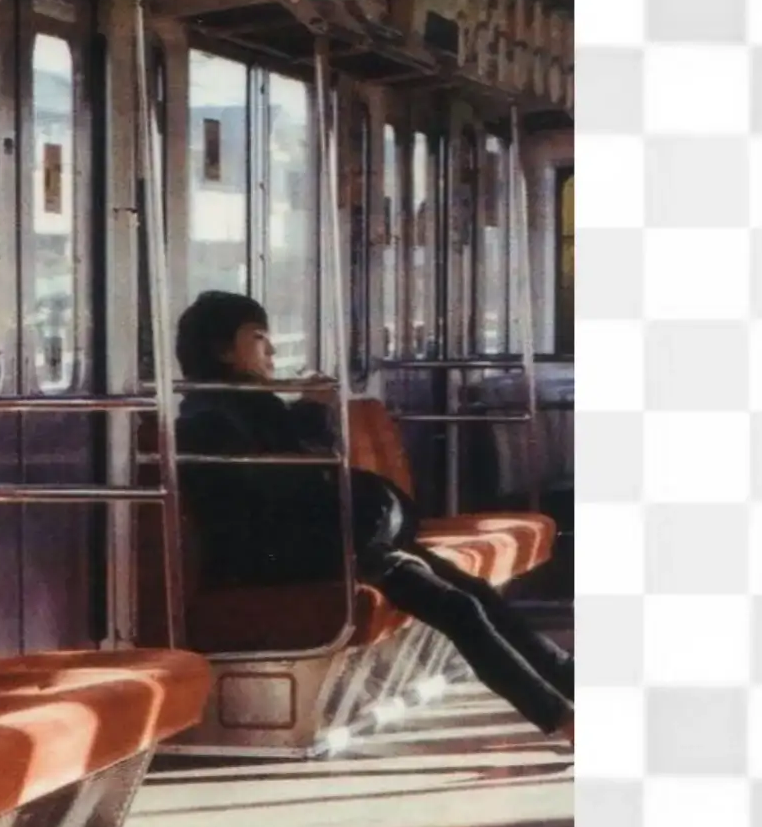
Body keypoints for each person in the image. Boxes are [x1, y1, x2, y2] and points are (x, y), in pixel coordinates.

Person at [170, 289, 573, 741]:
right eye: (258, 338)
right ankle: (561, 717)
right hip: (284, 559)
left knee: (471, 591)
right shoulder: (211, 422)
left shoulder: (251, 409)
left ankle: (567, 683)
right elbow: (280, 494)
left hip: (320, 544)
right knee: (457, 606)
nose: (273, 351)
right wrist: (310, 412)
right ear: (223, 351)